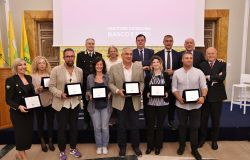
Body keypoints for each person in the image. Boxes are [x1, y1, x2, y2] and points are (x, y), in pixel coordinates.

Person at [108, 47, 144, 157]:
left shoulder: (138, 67)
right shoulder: (114, 68)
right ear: (122, 56)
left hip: (134, 100)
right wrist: (118, 91)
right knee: (121, 126)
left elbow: (142, 82)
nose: (129, 56)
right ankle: (122, 147)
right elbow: (110, 83)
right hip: (120, 100)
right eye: (126, 54)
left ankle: (135, 146)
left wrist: (140, 90)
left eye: (130, 54)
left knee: (135, 125)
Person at [172, 52, 207, 160]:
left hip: (195, 106)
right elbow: (174, 88)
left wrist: (203, 97)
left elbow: (204, 86)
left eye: (190, 58)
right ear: (182, 60)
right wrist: (179, 98)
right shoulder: (177, 73)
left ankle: (194, 149)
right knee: (182, 126)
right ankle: (182, 146)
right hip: (181, 105)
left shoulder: (199, 72)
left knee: (194, 127)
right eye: (186, 58)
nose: (188, 59)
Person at [49, 48, 83, 160]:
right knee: (62, 129)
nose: (70, 58)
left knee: (74, 128)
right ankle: (62, 151)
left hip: (74, 104)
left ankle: (73, 148)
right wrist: (60, 94)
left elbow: (80, 85)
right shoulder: (56, 70)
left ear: (74, 57)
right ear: (63, 58)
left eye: (72, 56)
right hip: (61, 105)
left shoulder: (79, 70)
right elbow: (51, 86)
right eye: (67, 56)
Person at [5, 58, 36, 160]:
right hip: (18, 113)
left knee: (27, 134)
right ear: (15, 67)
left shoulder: (29, 77)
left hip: (29, 110)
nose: (23, 67)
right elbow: (8, 100)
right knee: (20, 134)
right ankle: (22, 154)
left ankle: (19, 153)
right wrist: (18, 106)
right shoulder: (11, 80)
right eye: (20, 65)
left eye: (24, 64)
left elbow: (31, 93)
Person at [199, 47, 227, 150]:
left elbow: (222, 77)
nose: (210, 55)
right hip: (205, 96)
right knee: (203, 120)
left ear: (216, 54)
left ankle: (214, 141)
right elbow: (201, 78)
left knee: (216, 120)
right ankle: (202, 139)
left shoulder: (222, 64)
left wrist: (209, 77)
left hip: (217, 96)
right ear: (206, 55)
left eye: (212, 53)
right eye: (208, 53)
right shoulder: (202, 65)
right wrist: (215, 77)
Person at [143, 56, 171, 155]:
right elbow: (145, 89)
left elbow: (169, 88)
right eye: (153, 62)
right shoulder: (148, 76)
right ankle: (150, 146)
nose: (155, 64)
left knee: (160, 126)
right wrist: (146, 94)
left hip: (163, 104)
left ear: (160, 64)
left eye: (157, 62)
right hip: (151, 104)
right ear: (151, 65)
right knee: (150, 126)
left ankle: (158, 146)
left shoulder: (166, 75)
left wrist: (167, 93)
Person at [86, 57, 112, 154]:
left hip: (106, 106)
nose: (99, 66)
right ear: (94, 65)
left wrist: (110, 94)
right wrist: (89, 95)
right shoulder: (89, 77)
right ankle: (99, 145)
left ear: (103, 65)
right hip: (94, 106)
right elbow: (87, 90)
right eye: (97, 64)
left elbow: (111, 90)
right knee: (97, 127)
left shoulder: (107, 76)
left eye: (101, 64)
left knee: (104, 127)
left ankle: (104, 145)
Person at [155, 35, 182, 130]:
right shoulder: (158, 54)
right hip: (161, 82)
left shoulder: (178, 55)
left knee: (172, 103)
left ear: (173, 42)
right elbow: (155, 67)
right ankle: (158, 122)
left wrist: (173, 71)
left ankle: (171, 121)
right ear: (163, 42)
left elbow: (181, 68)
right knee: (159, 101)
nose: (168, 42)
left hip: (174, 83)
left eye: (170, 41)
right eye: (166, 41)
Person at [76, 38, 102, 129]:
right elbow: (79, 70)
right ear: (86, 45)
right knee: (87, 103)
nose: (91, 45)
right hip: (85, 84)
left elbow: (100, 68)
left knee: (97, 103)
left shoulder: (99, 55)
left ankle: (96, 122)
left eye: (92, 43)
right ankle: (87, 121)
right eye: (89, 43)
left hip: (97, 83)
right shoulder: (80, 55)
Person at [31, 56, 55, 152]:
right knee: (40, 123)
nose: (42, 65)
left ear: (46, 64)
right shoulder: (32, 76)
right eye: (40, 63)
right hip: (38, 102)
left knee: (50, 122)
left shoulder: (51, 75)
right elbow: (31, 90)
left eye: (43, 63)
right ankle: (42, 141)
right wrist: (37, 89)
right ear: (36, 65)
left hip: (50, 101)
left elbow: (54, 87)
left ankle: (50, 141)